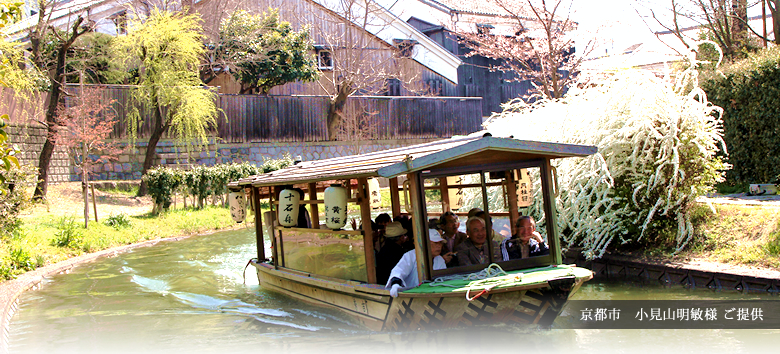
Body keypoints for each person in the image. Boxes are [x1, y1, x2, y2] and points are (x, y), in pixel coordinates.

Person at [386, 229, 448, 297]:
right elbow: (398, 271)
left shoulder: (439, 259)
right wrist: (395, 284)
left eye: (440, 243)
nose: (439, 246)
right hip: (411, 296)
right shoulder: (410, 256)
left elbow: (443, 279)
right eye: (435, 243)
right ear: (425, 243)